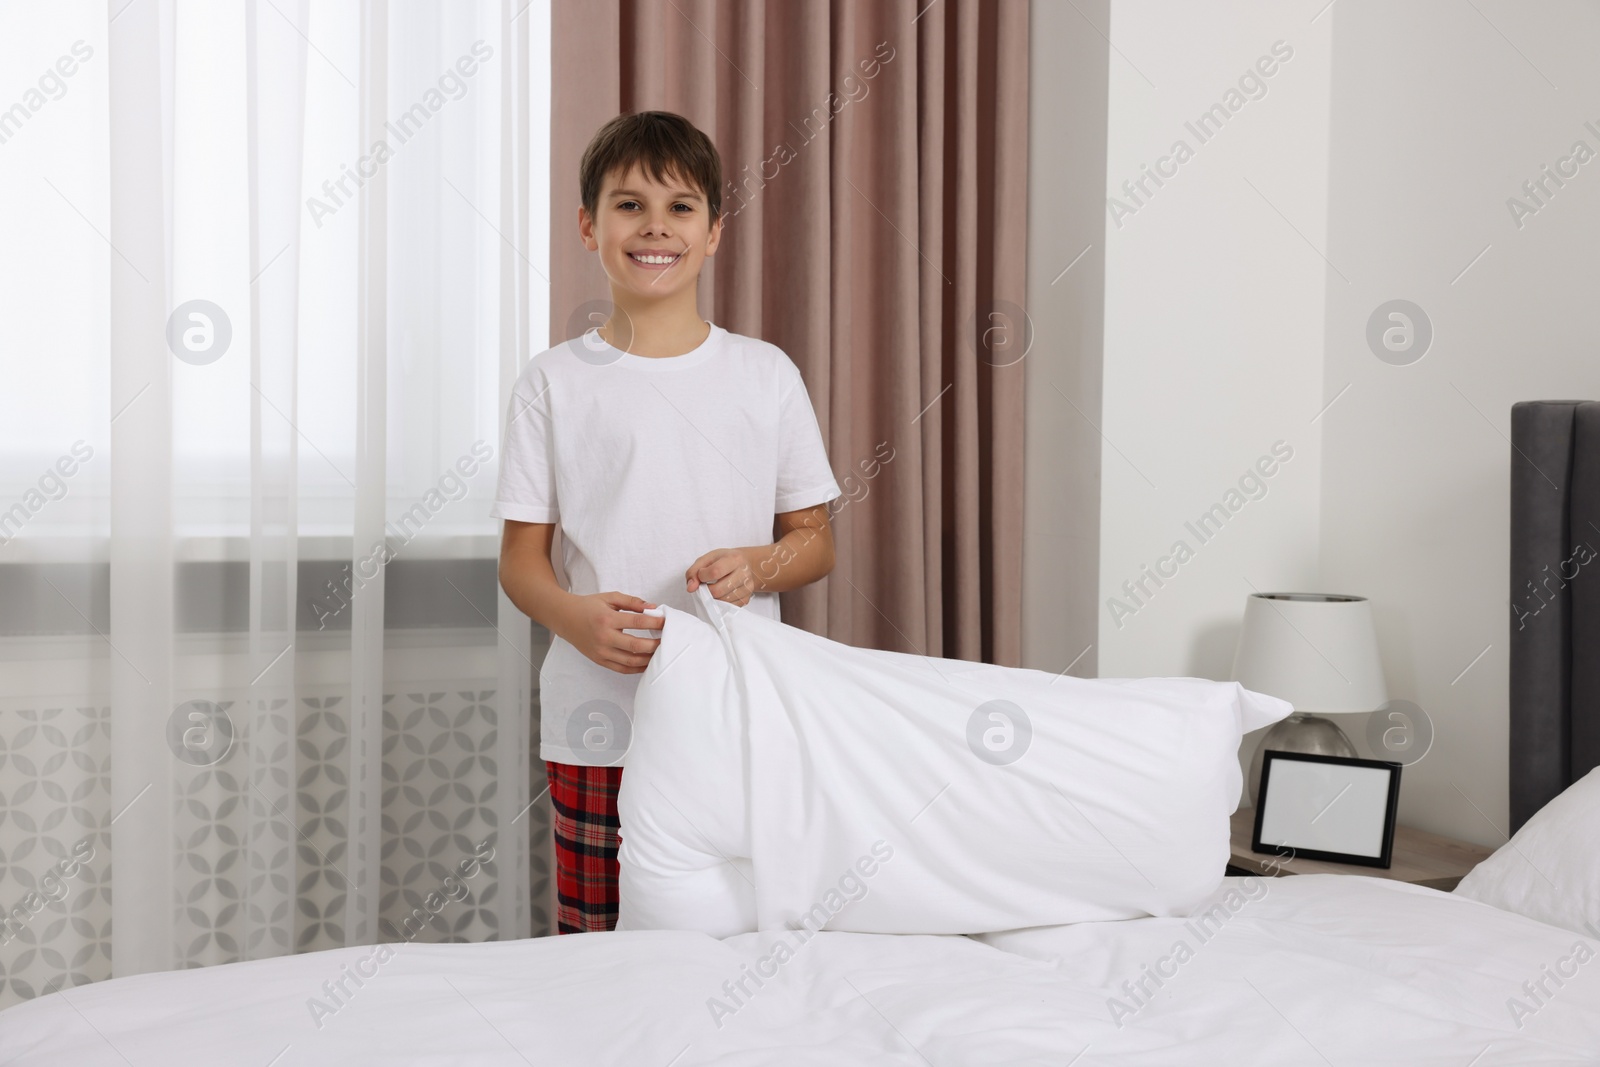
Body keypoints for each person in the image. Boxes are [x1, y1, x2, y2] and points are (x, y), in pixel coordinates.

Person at [491, 110, 842, 934]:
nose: (655, 226)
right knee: (601, 941)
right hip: (598, 718)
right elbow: (519, 561)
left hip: (738, 710)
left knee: (740, 939)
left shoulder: (766, 374)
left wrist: (760, 566)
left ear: (715, 231)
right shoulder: (553, 383)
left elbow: (814, 541)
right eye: (628, 205)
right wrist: (574, 617)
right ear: (588, 225)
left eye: (681, 207)